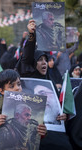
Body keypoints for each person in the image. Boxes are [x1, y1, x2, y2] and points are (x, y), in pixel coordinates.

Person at [17, 19, 73, 150]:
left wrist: (64, 116)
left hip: (55, 133)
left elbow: (61, 108)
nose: (44, 63)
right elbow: (27, 58)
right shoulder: (27, 79)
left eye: (45, 60)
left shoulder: (51, 83)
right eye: (39, 60)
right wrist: (32, 35)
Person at [0, 69, 47, 147]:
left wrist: (42, 132)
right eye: (12, 86)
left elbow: (37, 134)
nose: (17, 88)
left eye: (19, 84)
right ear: (2, 91)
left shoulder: (30, 101)